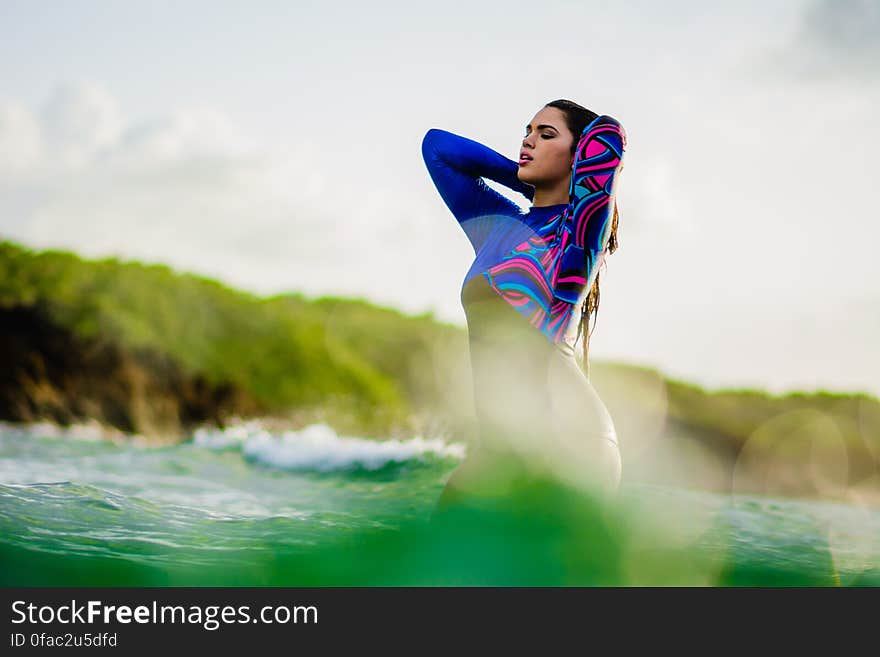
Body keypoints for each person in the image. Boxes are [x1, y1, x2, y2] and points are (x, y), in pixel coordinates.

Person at [421, 100, 626, 508]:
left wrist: (573, 171)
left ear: (580, 155)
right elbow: (437, 148)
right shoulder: (498, 225)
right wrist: (522, 180)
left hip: (569, 437)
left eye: (547, 134)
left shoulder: (577, 234)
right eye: (527, 131)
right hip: (500, 448)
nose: (528, 141)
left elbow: (609, 139)